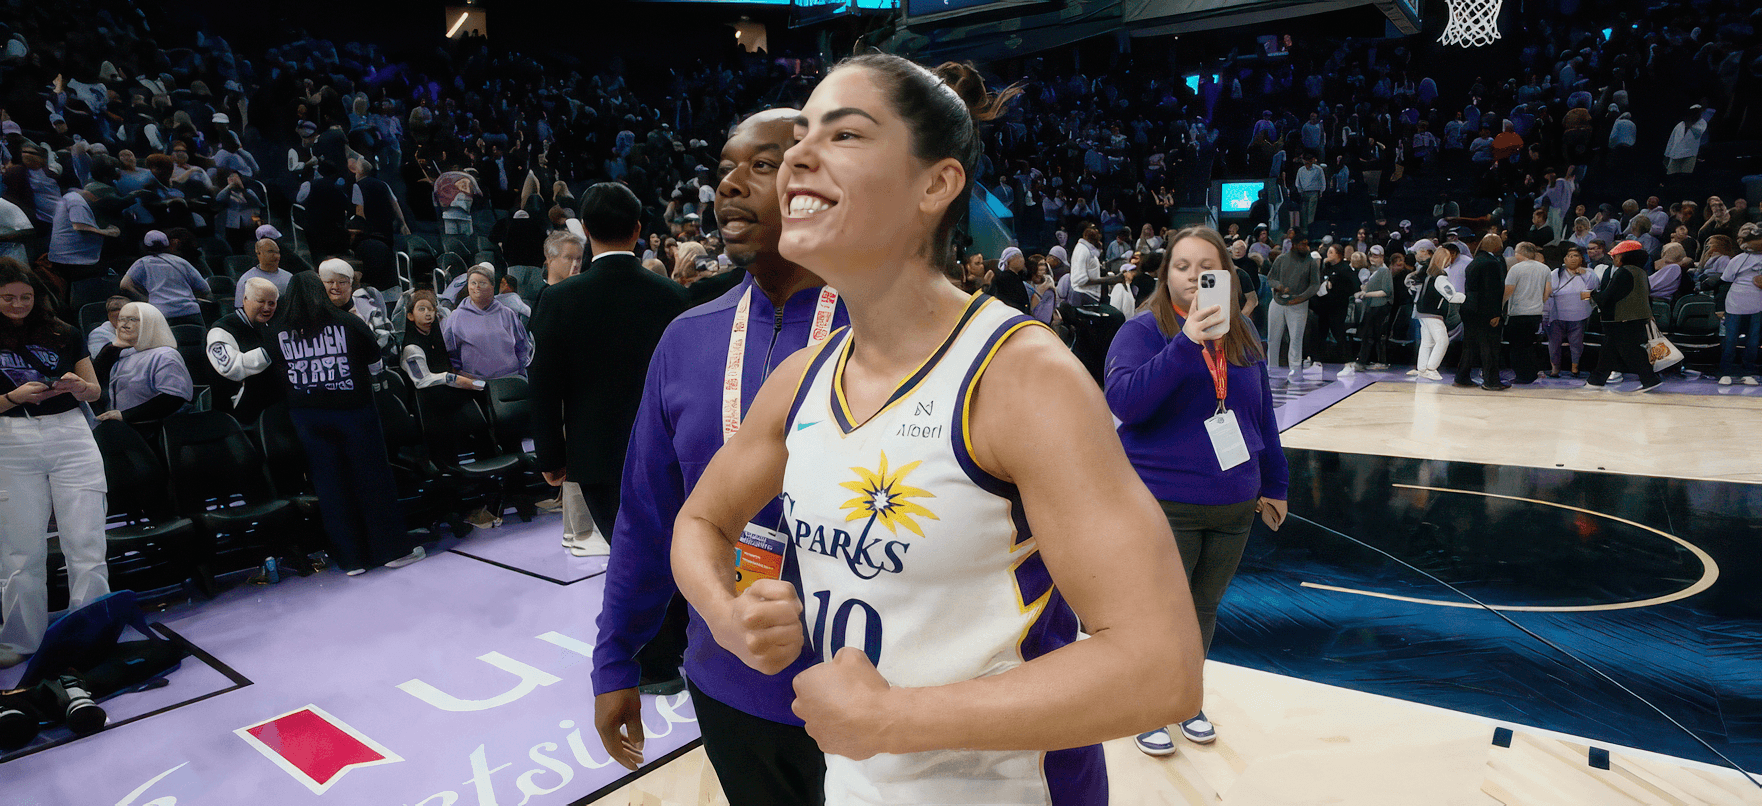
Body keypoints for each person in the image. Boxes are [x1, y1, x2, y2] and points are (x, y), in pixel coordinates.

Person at [670, 54, 1200, 804]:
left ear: (936, 184)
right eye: (801, 135)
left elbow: (1160, 667)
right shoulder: (802, 379)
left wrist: (894, 719)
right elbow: (699, 521)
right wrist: (728, 617)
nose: (797, 156)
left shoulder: (1022, 378)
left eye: (843, 134)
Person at [593, 108, 850, 805]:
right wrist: (616, 658)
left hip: (874, 695)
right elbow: (647, 516)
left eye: (761, 166)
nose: (729, 187)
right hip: (728, 690)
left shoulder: (890, 335)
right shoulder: (686, 338)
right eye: (724, 171)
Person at [1104, 226, 1287, 755]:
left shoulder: (1242, 333)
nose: (1193, 276)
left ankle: (1185, 697)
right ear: (1166, 275)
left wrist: (1275, 481)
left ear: (1226, 275)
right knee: (1160, 613)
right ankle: (1148, 704)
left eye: (1207, 267)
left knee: (1203, 607)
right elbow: (1126, 403)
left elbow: (1262, 415)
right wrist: (1185, 345)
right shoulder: (1142, 331)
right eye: (1182, 266)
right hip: (1165, 504)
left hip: (1234, 505)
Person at [530, 182, 689, 551]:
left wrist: (550, 456)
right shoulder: (675, 296)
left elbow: (544, 385)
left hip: (594, 455)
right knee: (671, 552)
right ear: (637, 228)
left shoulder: (558, 299)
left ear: (585, 229)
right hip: (667, 451)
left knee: (626, 551)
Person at [265, 272, 426, 575]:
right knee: (373, 480)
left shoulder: (275, 331)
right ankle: (391, 551)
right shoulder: (347, 322)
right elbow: (375, 358)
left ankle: (351, 560)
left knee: (331, 488)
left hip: (307, 416)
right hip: (353, 411)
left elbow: (274, 369)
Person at [0, 259, 107, 669]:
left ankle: (90, 632)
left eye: (25, 297)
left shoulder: (64, 332)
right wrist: (13, 397)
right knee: (20, 550)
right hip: (11, 438)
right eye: (8, 297)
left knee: (86, 542)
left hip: (70, 434)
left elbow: (94, 391)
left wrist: (80, 387)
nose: (18, 304)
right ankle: (20, 639)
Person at [93, 302, 193, 425]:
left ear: (150, 323)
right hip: (123, 426)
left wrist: (125, 415)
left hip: (155, 427)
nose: (124, 324)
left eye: (132, 319)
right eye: (121, 319)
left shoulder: (165, 355)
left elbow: (173, 399)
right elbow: (94, 383)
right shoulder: (119, 353)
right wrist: (109, 349)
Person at [1584, 241, 1662, 393]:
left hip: (1622, 319)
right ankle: (1596, 381)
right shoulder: (1640, 272)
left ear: (1625, 256)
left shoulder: (1623, 272)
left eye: (1616, 256)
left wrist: (1592, 294)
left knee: (1631, 351)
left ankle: (1650, 379)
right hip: (1636, 317)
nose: (1613, 259)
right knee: (1609, 351)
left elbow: (1608, 297)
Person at [205, 277, 284, 424]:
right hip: (237, 414)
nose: (267, 308)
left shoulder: (271, 326)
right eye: (260, 301)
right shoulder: (221, 330)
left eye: (271, 303)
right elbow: (232, 368)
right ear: (245, 299)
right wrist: (270, 350)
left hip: (273, 407)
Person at [442, 265, 530, 381]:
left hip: (510, 379)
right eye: (473, 283)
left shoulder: (507, 314)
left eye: (482, 283)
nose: (477, 287)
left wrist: (521, 373)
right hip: (474, 383)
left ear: (492, 287)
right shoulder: (456, 317)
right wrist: (460, 373)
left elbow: (523, 347)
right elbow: (450, 352)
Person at [121, 230, 211, 329]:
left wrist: (146, 300)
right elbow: (205, 289)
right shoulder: (181, 262)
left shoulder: (142, 263)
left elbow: (125, 285)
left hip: (162, 314)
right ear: (167, 245)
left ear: (144, 247)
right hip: (191, 313)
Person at [1453, 235, 1508, 391]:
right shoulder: (1491, 263)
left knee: (1469, 345)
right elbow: (1492, 290)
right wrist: (1495, 313)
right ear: (1495, 246)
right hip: (1484, 309)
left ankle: (1462, 377)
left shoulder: (1474, 262)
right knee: (1489, 346)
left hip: (1469, 308)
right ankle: (1491, 381)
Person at [1715, 224, 1762, 386]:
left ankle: (1748, 372)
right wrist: (1719, 307)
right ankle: (1725, 371)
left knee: (1753, 340)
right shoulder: (1738, 259)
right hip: (1736, 303)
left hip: (1758, 305)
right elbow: (1724, 282)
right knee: (1731, 339)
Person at [1266, 236, 1320, 379]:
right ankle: (1272, 367)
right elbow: (1270, 278)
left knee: (1296, 337)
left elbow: (1315, 285)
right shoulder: (1281, 259)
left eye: (1306, 244)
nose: (1304, 247)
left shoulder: (1311, 262)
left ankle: (1295, 369)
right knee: (1273, 337)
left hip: (1299, 303)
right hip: (1278, 301)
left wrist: (1301, 298)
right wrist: (1278, 286)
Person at [1412, 248, 1466, 381]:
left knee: (1427, 341)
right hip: (1433, 313)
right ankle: (1431, 369)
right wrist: (1466, 298)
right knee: (1442, 340)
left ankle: (1422, 368)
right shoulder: (1440, 276)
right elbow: (1451, 295)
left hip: (1422, 312)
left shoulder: (1428, 273)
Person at [1545, 246, 1596, 379]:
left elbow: (1592, 291)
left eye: (1576, 256)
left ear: (1581, 259)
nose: (1573, 258)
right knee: (1554, 343)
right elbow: (1550, 291)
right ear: (1565, 259)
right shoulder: (1556, 273)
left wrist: (1583, 275)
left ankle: (1575, 368)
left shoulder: (1589, 273)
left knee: (1576, 343)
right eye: (1570, 256)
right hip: (1557, 315)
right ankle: (1555, 369)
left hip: (1579, 315)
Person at [1503, 242, 1551, 384]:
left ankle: (1522, 375)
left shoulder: (1515, 268)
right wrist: (1540, 303)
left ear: (1520, 252)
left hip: (1518, 313)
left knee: (1517, 347)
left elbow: (1508, 290)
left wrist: (1501, 306)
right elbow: (1547, 291)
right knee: (1529, 344)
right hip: (1536, 313)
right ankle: (1531, 373)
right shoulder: (1545, 269)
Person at [1349, 248, 1396, 372]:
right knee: (1370, 335)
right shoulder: (1374, 271)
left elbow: (1386, 291)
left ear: (1382, 257)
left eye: (1376, 256)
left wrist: (1366, 294)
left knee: (1371, 335)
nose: (1372, 259)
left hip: (1380, 306)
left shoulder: (1384, 271)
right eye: (1371, 256)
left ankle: (1366, 361)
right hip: (1372, 306)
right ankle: (1364, 361)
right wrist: (1364, 290)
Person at [235, 238, 293, 308]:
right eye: (270, 251)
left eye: (277, 252)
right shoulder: (247, 280)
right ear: (259, 253)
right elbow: (240, 308)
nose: (276, 256)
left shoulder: (289, 277)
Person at [988, 246, 1033, 314]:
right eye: (1018, 257)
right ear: (1009, 260)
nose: (1022, 260)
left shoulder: (1018, 277)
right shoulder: (1004, 278)